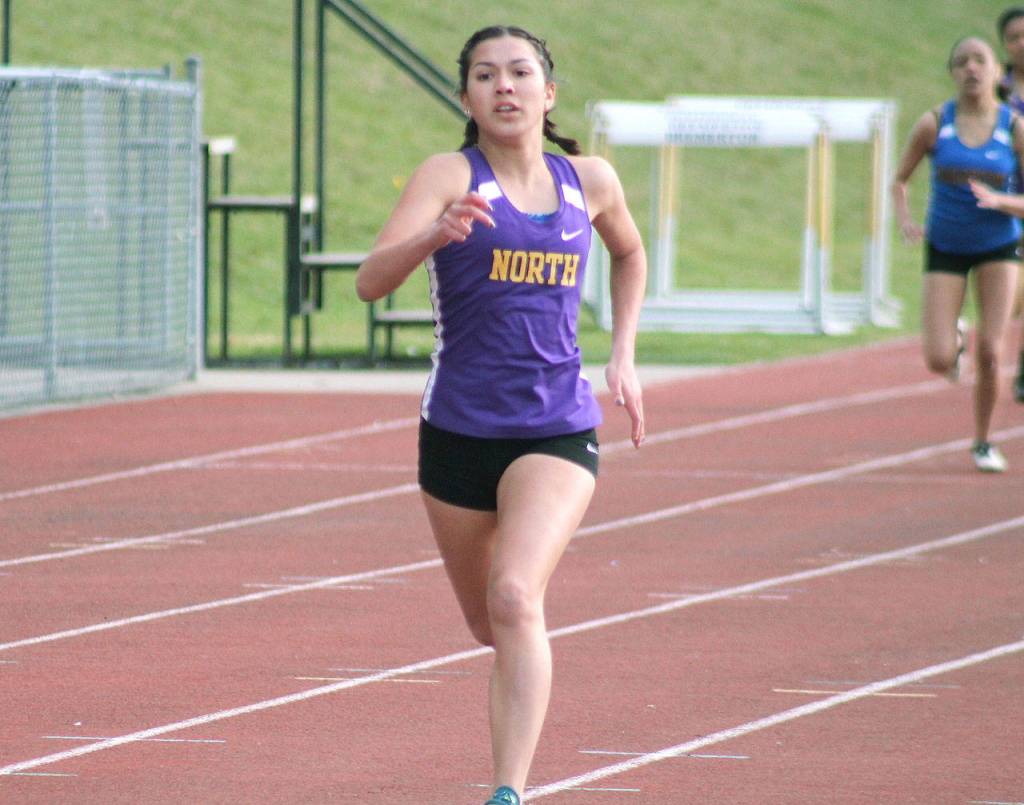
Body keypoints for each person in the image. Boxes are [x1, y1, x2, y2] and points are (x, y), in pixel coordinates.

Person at [355, 25, 646, 805]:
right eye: (486, 76)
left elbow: (629, 252)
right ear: (467, 98)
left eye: (521, 73)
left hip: (557, 423)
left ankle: (506, 791)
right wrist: (432, 235)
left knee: (517, 595)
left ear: (549, 94)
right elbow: (369, 281)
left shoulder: (591, 179)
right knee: (490, 623)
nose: (505, 87)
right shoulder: (450, 175)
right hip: (457, 432)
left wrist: (622, 354)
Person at [892, 36, 1022, 473]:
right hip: (945, 244)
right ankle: (957, 339)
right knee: (939, 359)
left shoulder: (1013, 127)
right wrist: (906, 219)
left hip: (999, 246)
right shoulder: (934, 123)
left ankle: (983, 441)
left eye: (980, 60)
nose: (971, 69)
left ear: (997, 73)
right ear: (952, 72)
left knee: (992, 350)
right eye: (962, 62)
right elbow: (900, 179)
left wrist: (1003, 202)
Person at [996, 5, 1024, 402]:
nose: (1022, 43)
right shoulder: (993, 86)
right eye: (1015, 37)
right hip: (1003, 198)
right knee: (1010, 296)